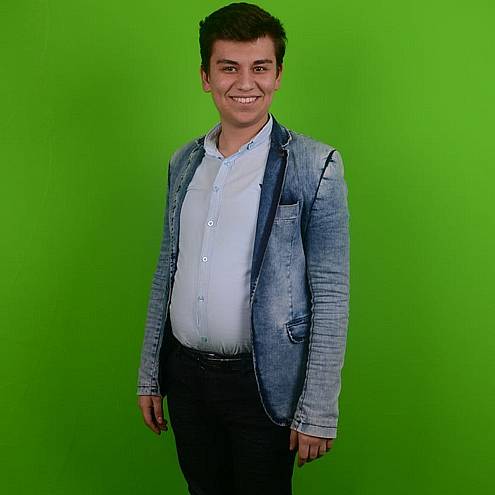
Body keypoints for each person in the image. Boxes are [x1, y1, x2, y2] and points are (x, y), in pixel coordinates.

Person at [136, 3, 350, 494]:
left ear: (278, 75)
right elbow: (167, 270)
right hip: (186, 379)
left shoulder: (315, 165)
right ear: (206, 77)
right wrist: (151, 375)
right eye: (229, 67)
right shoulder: (184, 163)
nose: (245, 82)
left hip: (264, 383)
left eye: (260, 67)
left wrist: (319, 408)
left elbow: (331, 294)